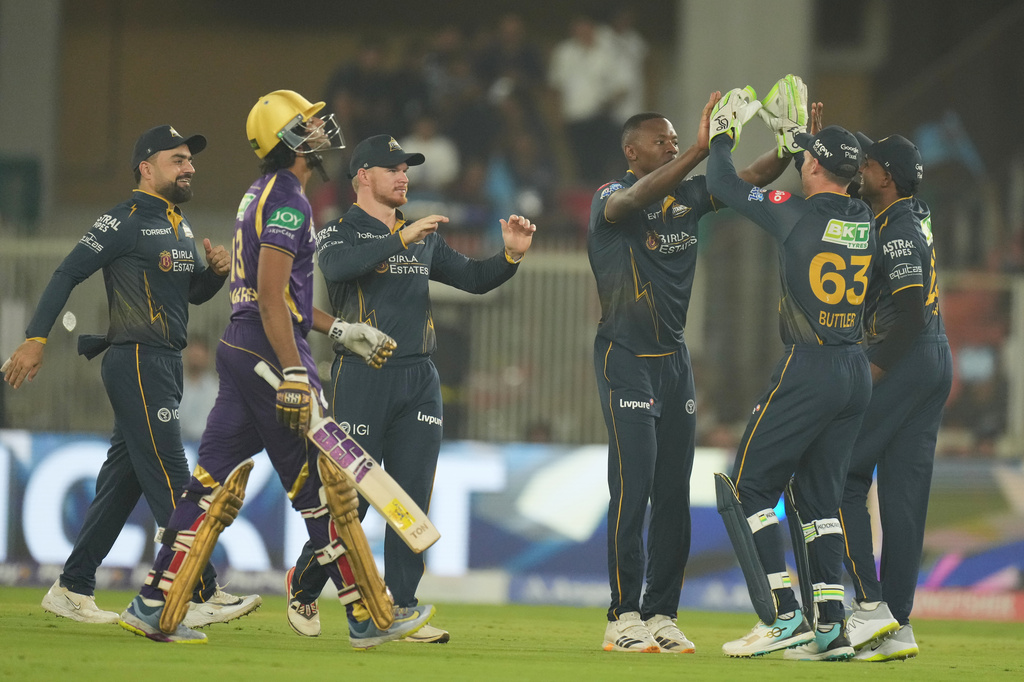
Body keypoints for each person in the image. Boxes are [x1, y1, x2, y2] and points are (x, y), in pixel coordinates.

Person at [117, 91, 433, 647]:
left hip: (243, 348)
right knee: (323, 489)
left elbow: (276, 294)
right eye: (308, 124)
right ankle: (367, 614)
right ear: (288, 139)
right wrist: (292, 370)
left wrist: (337, 329)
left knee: (208, 484)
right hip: (269, 354)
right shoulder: (289, 199)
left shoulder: (261, 192)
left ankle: (152, 602)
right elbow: (270, 294)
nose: (320, 129)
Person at [1, 125, 260, 628]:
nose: (189, 167)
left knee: (123, 483)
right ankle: (200, 587)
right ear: (146, 167)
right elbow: (66, 273)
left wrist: (213, 274)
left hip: (163, 363)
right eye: (177, 159)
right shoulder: (121, 221)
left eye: (190, 160)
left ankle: (72, 585)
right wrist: (36, 338)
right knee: (171, 473)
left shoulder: (179, 225)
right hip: (137, 360)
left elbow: (188, 295)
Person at [286, 133, 536, 644]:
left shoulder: (420, 234)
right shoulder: (339, 232)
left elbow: (474, 278)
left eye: (407, 168)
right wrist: (402, 239)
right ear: (363, 177)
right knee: (348, 497)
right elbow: (336, 270)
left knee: (410, 499)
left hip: (419, 377)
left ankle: (400, 607)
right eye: (392, 167)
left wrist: (509, 257)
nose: (404, 176)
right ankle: (306, 582)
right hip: (362, 376)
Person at [589, 95, 796, 654]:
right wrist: (703, 149)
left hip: (674, 362)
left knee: (673, 493)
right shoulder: (611, 197)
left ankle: (661, 613)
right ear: (632, 152)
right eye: (663, 141)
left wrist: (787, 145)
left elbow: (750, 177)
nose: (674, 145)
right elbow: (635, 198)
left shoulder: (687, 195)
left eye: (678, 139)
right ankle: (622, 616)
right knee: (632, 490)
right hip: (624, 356)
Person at [705, 92, 874, 660]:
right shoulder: (865, 220)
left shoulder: (794, 210)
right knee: (819, 503)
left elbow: (725, 187)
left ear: (817, 168)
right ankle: (830, 624)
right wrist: (807, 140)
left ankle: (781, 615)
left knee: (746, 485)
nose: (801, 163)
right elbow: (835, 169)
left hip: (810, 365)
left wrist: (723, 136)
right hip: (853, 369)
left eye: (806, 158)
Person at [840, 133, 952, 661]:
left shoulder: (900, 229)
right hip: (933, 357)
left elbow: (908, 310)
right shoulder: (909, 214)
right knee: (904, 501)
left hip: (904, 355)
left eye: (865, 164)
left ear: (887, 176)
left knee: (840, 475)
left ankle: (869, 608)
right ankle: (898, 626)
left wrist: (871, 371)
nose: (858, 170)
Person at [179, 336, 218, 443]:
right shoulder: (175, 386)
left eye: (199, 355)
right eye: (193, 354)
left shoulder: (215, 389)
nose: (195, 358)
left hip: (206, 444)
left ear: (207, 357)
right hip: (179, 443)